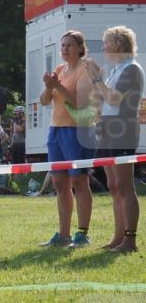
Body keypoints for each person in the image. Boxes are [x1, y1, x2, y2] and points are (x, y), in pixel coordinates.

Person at [85, 25, 143, 252]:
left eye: (106, 42)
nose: (104, 47)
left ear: (119, 44)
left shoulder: (131, 69)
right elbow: (101, 100)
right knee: (113, 185)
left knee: (125, 186)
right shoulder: (116, 69)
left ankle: (130, 240)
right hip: (108, 129)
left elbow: (115, 98)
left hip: (123, 131)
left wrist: (98, 79)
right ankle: (118, 238)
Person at [38, 30, 96, 248]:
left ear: (80, 48)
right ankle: (63, 235)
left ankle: (82, 234)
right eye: (62, 46)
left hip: (77, 131)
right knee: (60, 184)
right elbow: (45, 101)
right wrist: (48, 87)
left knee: (80, 182)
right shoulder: (60, 69)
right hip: (56, 130)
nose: (64, 49)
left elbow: (79, 102)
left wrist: (57, 86)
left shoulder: (85, 70)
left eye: (69, 45)